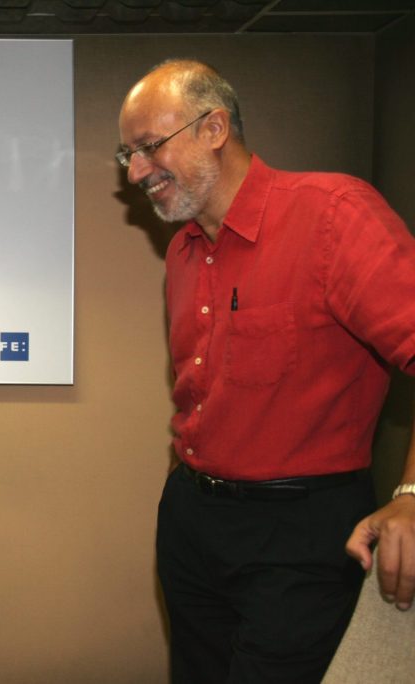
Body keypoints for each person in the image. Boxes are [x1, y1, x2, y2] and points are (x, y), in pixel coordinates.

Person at [117, 59, 415, 683]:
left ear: (214, 128)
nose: (137, 172)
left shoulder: (335, 215)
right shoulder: (181, 251)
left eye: (148, 147)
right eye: (129, 155)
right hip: (193, 522)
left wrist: (414, 496)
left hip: (300, 537)